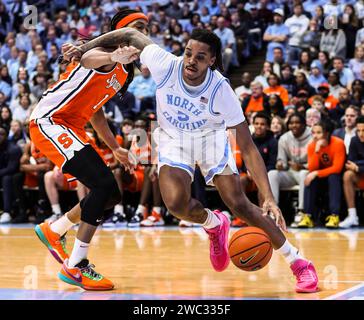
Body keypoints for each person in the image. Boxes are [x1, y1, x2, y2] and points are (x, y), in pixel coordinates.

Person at [69, 26, 319, 293]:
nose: (191, 60)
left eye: (200, 57)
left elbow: (247, 147)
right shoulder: (165, 64)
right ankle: (214, 223)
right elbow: (130, 34)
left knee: (239, 204)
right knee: (176, 204)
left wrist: (268, 196)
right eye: (189, 53)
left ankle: (300, 263)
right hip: (173, 138)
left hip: (210, 138)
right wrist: (83, 48)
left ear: (211, 61)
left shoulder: (221, 89)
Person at [31, 9, 146, 291]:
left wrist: (116, 148)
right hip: (51, 120)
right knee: (104, 186)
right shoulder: (103, 50)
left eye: (146, 27)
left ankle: (54, 230)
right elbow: (86, 57)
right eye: (138, 26)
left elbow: (96, 112)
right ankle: (76, 266)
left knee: (111, 195)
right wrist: (111, 55)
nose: (144, 32)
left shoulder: (125, 71)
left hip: (74, 126)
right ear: (122, 31)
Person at [300, 120, 346, 228]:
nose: (315, 136)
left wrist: (316, 173)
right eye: (313, 133)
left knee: (333, 177)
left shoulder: (338, 143)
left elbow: (337, 168)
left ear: (326, 133)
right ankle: (308, 216)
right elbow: (312, 168)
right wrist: (317, 151)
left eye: (319, 133)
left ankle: (334, 216)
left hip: (336, 177)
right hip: (320, 178)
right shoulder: (312, 146)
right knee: (309, 179)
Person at [268, 113, 312, 226]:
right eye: (291, 123)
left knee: (303, 174)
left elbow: (316, 161)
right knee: (272, 174)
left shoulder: (312, 136)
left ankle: (301, 212)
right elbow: (281, 159)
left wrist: (303, 166)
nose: (294, 125)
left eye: (297, 123)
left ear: (304, 124)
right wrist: (280, 164)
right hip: (290, 172)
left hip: (307, 170)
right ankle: (274, 211)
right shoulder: (284, 138)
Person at [340, 116, 364, 228]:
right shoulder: (355, 140)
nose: (361, 134)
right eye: (358, 130)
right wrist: (357, 167)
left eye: (363, 131)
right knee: (347, 175)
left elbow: (356, 165)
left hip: (360, 171)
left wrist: (359, 168)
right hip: (361, 177)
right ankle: (352, 216)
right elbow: (350, 163)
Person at [0, 127, 22, 224]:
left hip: (13, 175)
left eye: (1, 134)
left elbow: (12, 168)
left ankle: (7, 212)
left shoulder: (13, 148)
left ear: (6, 136)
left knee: (7, 179)